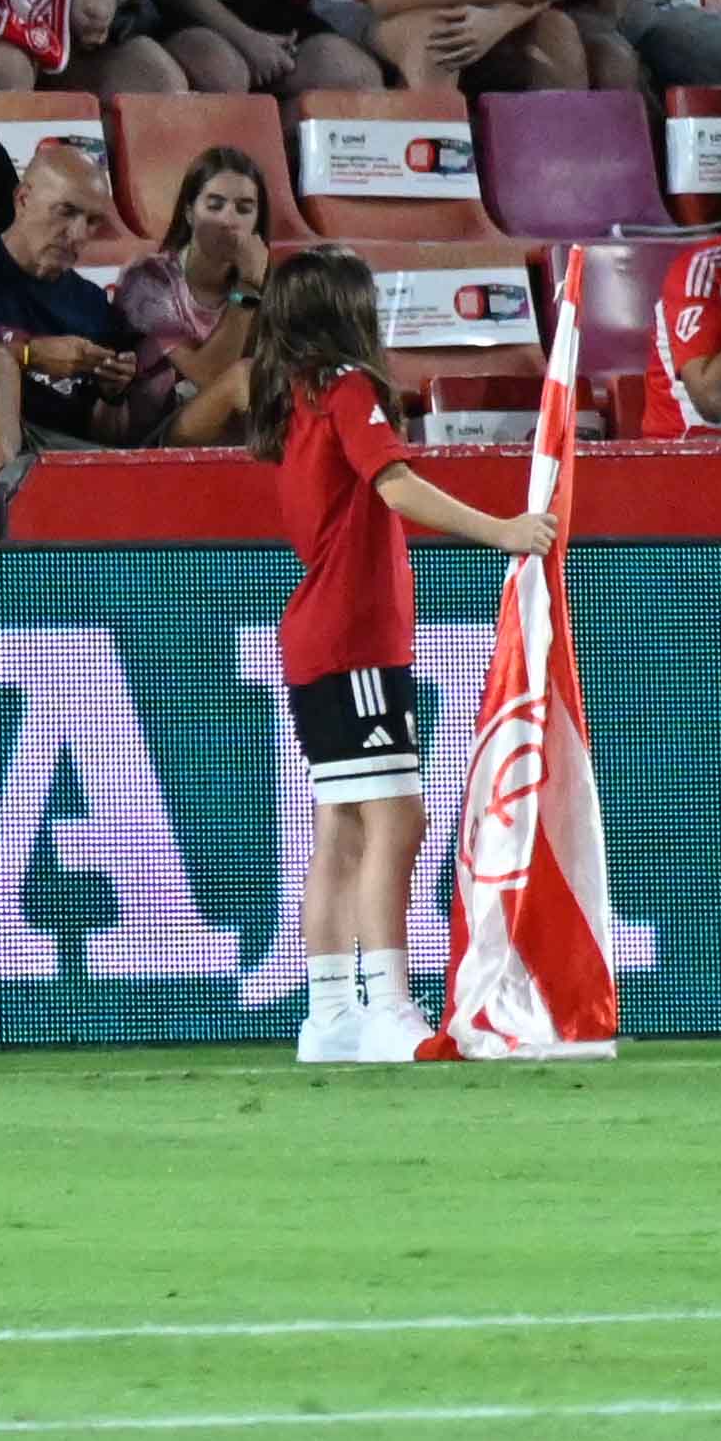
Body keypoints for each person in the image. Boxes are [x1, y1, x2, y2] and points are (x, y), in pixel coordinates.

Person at [251, 244, 560, 1066]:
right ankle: (385, 1005)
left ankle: (329, 1016)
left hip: (326, 635)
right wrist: (502, 531)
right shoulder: (345, 386)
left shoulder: (293, 398)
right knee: (395, 817)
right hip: (352, 639)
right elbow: (397, 485)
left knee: (344, 828)